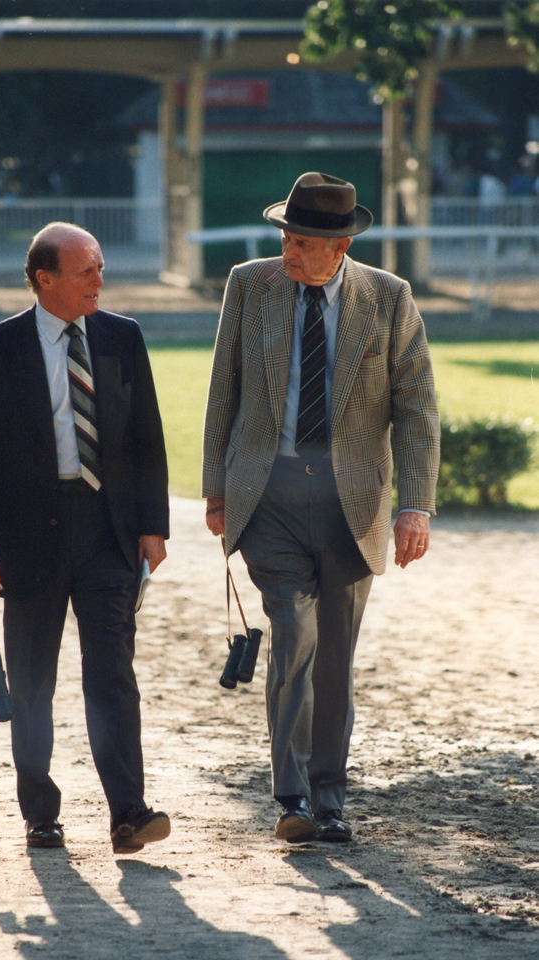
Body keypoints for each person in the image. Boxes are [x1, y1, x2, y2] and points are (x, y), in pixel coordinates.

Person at [203, 173, 440, 845]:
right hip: (267, 496)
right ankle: (292, 799)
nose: (289, 252)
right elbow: (225, 388)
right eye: (286, 236)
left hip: (350, 505)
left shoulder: (389, 300)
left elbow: (417, 409)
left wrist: (415, 507)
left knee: (334, 655)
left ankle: (331, 800)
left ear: (339, 247)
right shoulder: (249, 287)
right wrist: (217, 487)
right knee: (293, 637)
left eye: (303, 242)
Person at [0, 222, 171, 855]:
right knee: (32, 683)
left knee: (112, 675)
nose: (101, 280)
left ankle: (128, 812)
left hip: (109, 531)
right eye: (87, 271)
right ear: (46, 280)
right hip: (27, 539)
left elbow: (147, 440)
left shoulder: (124, 337)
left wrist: (152, 526)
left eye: (100, 267)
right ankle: (40, 814)